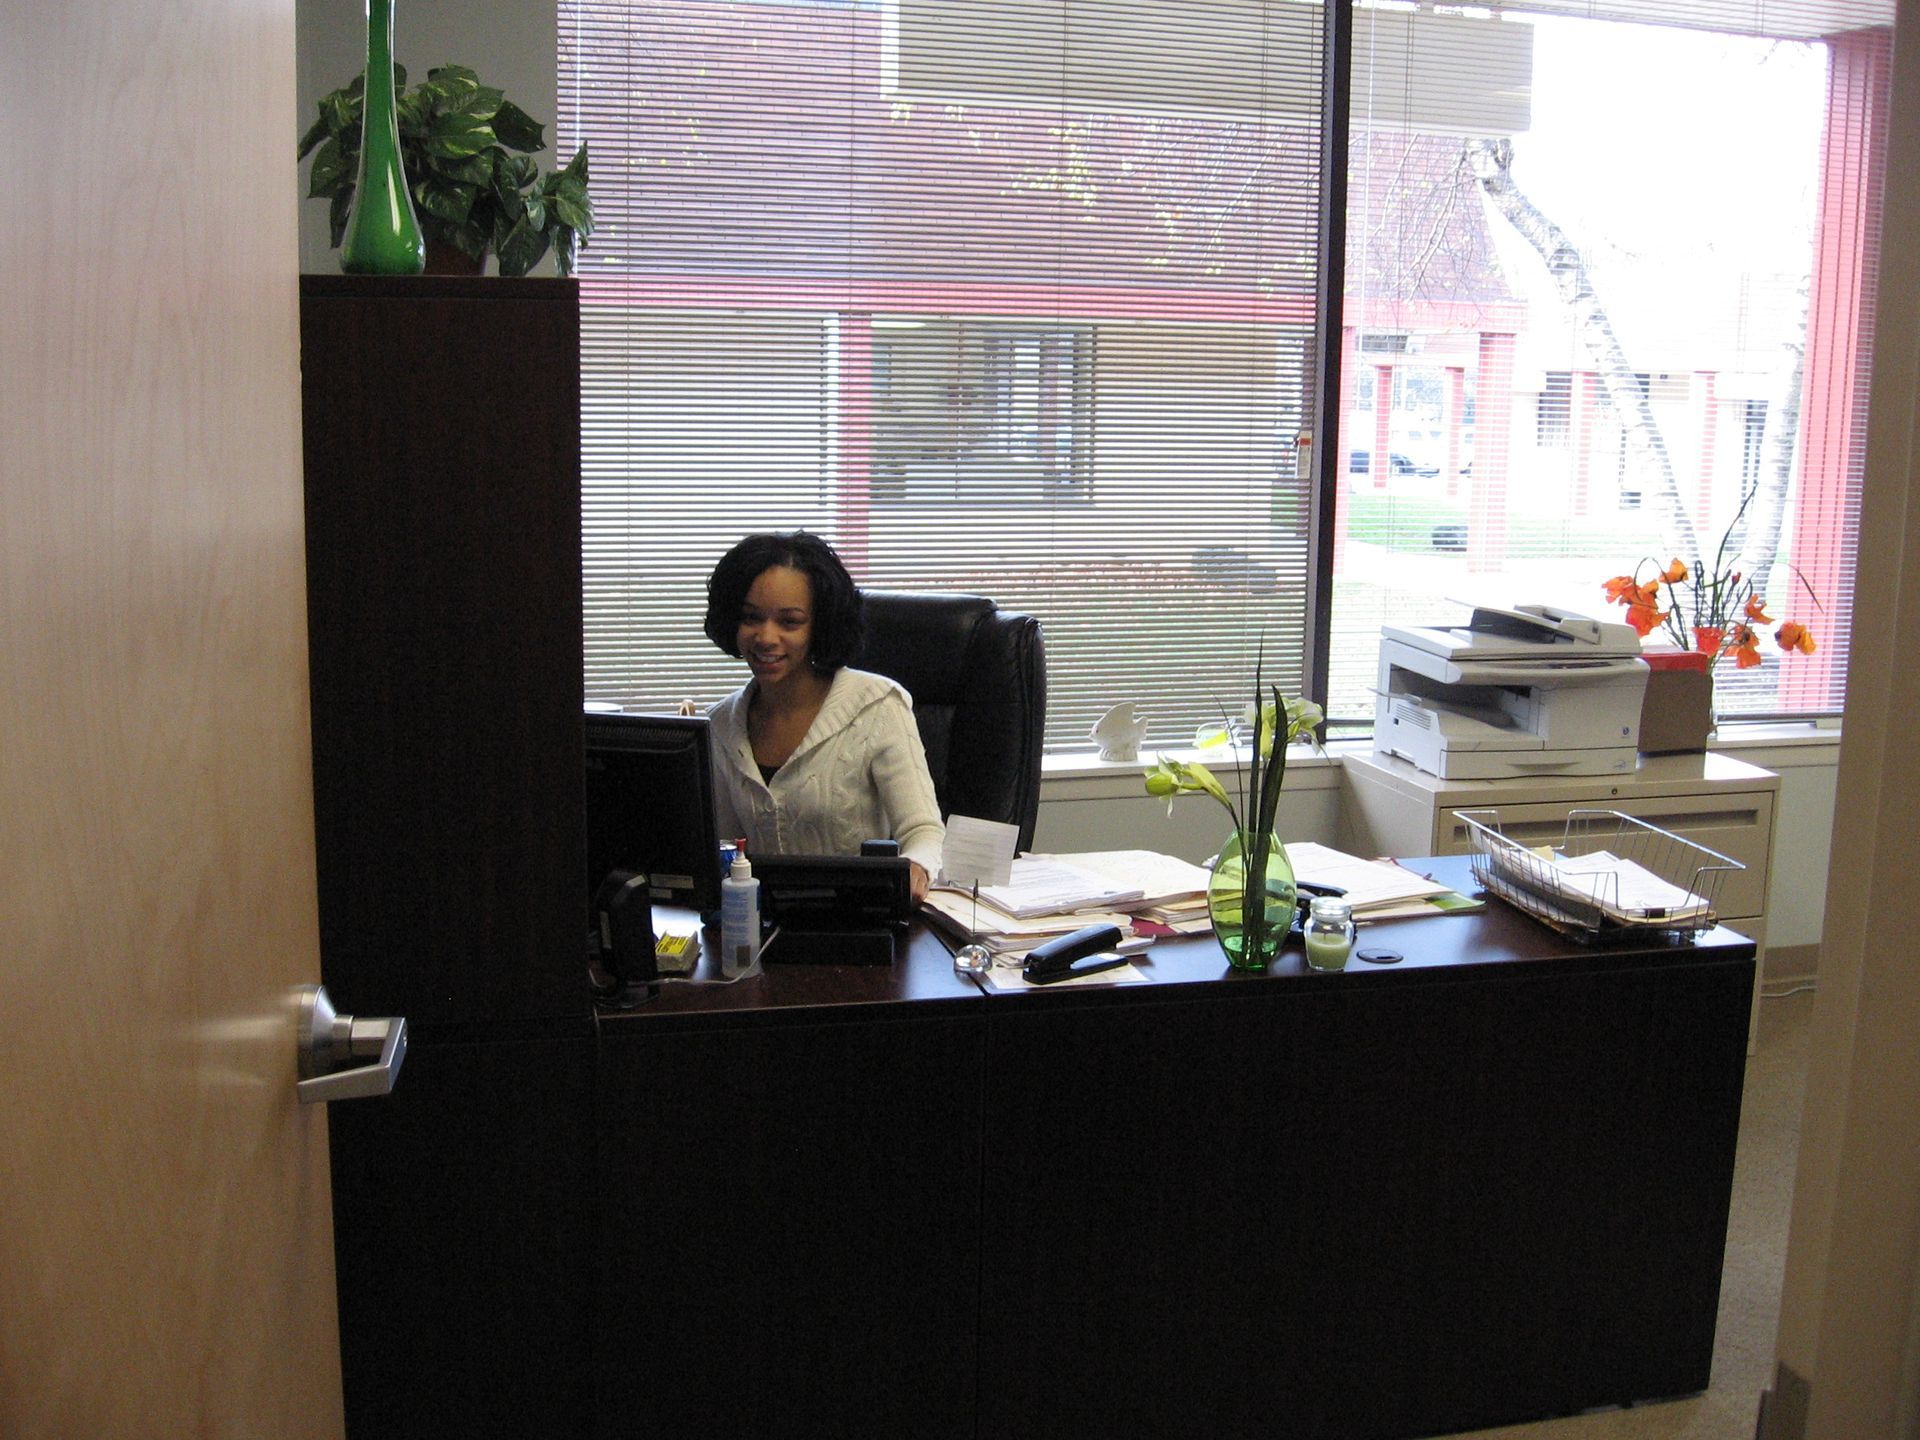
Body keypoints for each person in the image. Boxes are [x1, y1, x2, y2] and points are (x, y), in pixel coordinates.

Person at [703, 532, 943, 902]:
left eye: (789, 622)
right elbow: (724, 850)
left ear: (819, 625)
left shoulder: (878, 706)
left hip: (863, 926)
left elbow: (924, 831)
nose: (765, 637)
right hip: (760, 931)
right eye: (751, 618)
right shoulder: (720, 725)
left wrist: (916, 868)